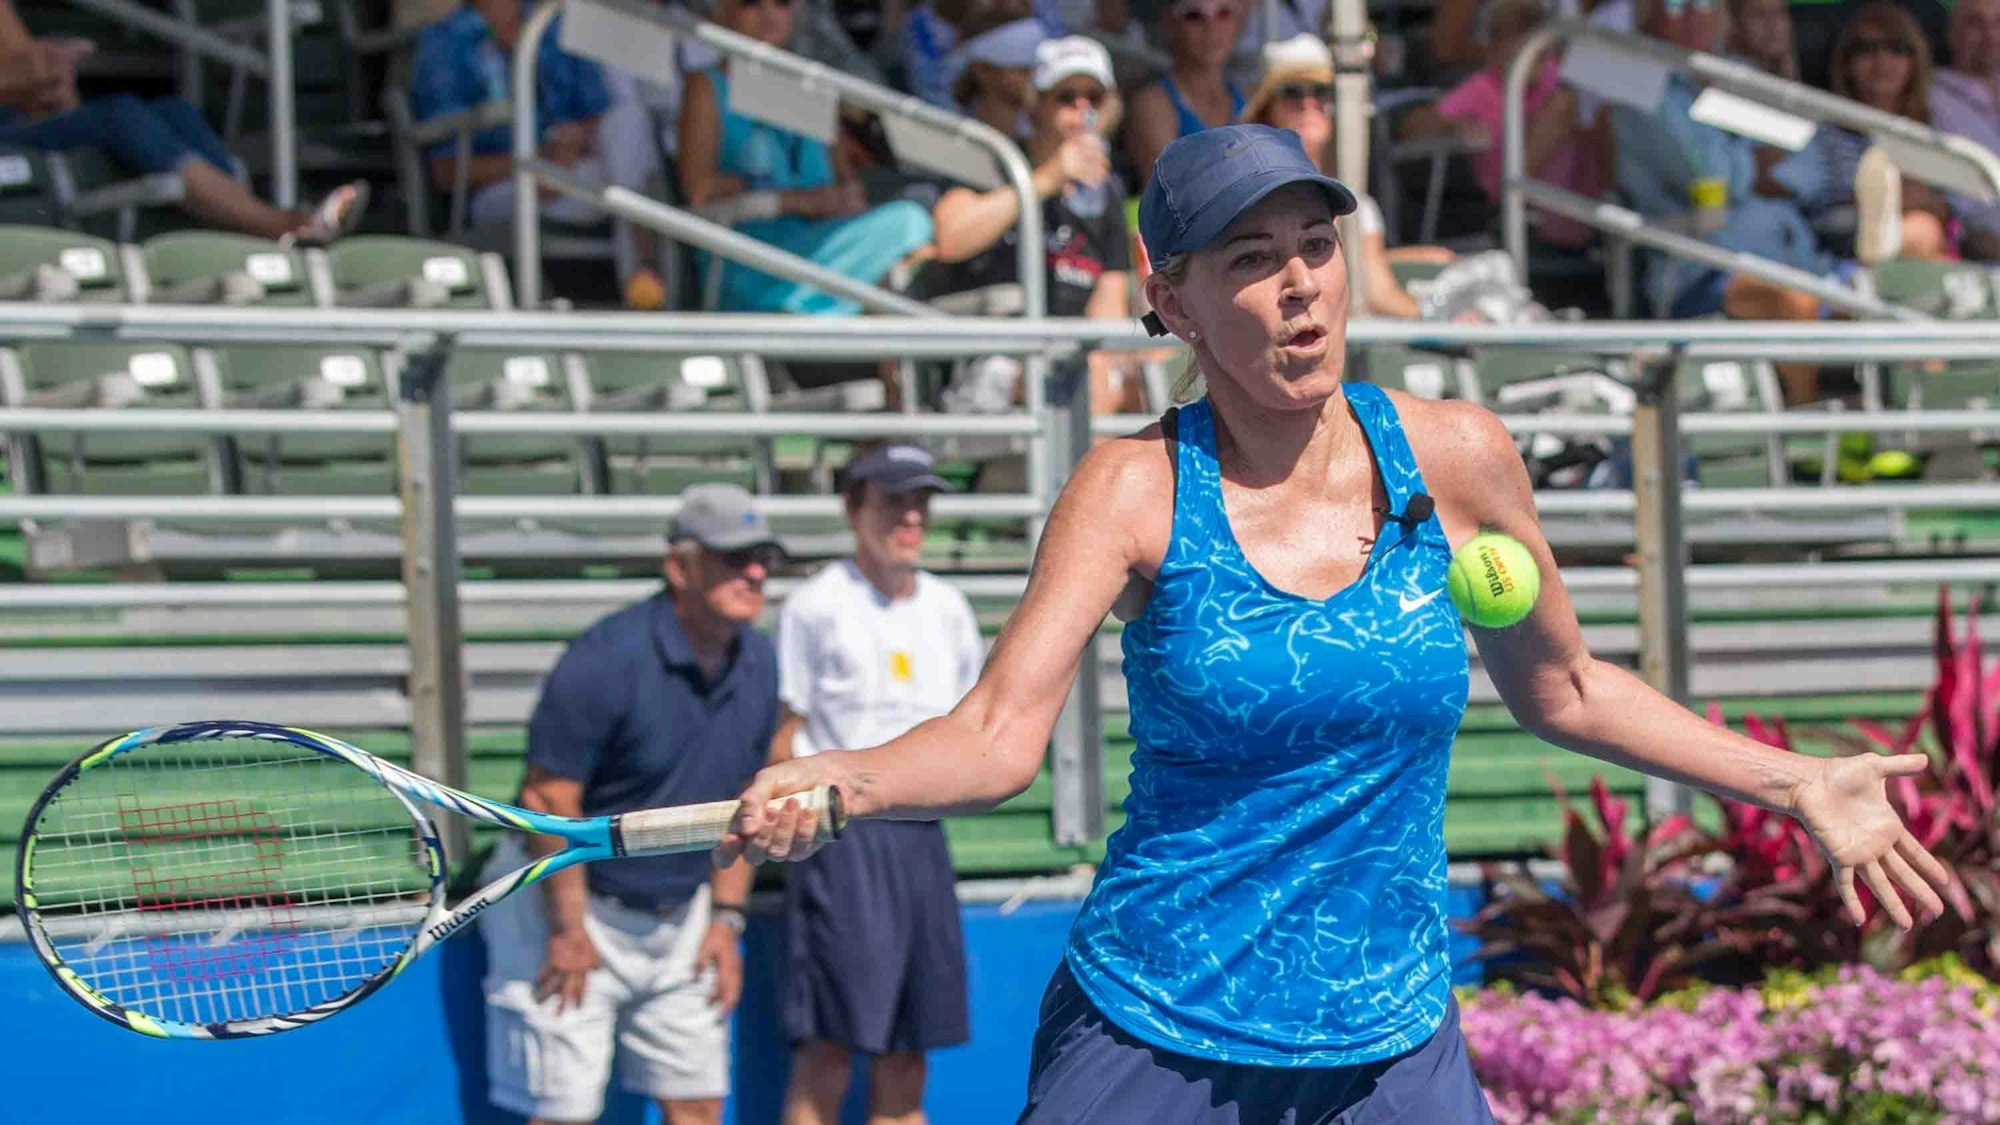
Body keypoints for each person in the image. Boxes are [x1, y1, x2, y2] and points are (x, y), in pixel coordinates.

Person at [711, 123, 1954, 1121]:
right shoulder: (1128, 490)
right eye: (1249, 258)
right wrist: (845, 777)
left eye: (1314, 243)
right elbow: (993, 736)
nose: (1298, 283)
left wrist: (1788, 783)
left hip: (1389, 1039)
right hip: (1159, 1025)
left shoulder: (1458, 458)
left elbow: (1565, 689)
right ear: (1176, 300)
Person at [480, 482, 783, 1125]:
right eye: (735, 557)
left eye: (763, 558)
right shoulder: (604, 659)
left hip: (684, 911)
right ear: (680, 567)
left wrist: (726, 920)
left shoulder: (761, 660)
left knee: (699, 1106)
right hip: (564, 900)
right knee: (561, 1113)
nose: (756, 573)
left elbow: (750, 798)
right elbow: (548, 799)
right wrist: (567, 931)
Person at [770, 442, 979, 1125]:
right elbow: (785, 730)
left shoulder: (949, 608)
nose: (911, 517)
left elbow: (965, 737)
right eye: (893, 501)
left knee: (908, 1053)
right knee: (830, 1049)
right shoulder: (814, 606)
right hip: (839, 842)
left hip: (923, 837)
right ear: (852, 510)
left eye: (920, 502)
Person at [0, 0, 364, 243]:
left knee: (177, 111)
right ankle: (276, 226)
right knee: (120, 114)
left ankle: (253, 223)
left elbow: (31, 74)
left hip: (24, 118)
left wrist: (53, 78)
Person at [677, 0, 935, 316]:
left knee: (912, 218)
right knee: (908, 225)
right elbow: (699, 191)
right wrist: (799, 202)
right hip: (749, 261)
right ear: (725, 10)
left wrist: (842, 201)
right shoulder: (706, 85)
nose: (769, 13)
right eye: (751, 2)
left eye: (782, 2)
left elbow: (847, 189)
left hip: (825, 250)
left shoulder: (811, 87)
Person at [927, 34, 1141, 412]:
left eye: (1093, 97)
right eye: (1065, 97)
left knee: (1142, 385)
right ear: (1035, 104)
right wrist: (1046, 180)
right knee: (1089, 384)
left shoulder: (1106, 192)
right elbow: (950, 238)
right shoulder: (998, 163)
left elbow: (1108, 309)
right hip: (989, 361)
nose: (1081, 109)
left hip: (1071, 358)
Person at [409, 0, 668, 307]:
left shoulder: (551, 23)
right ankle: (646, 288)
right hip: (502, 188)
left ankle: (643, 284)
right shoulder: (444, 41)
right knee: (630, 190)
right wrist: (532, 161)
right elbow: (446, 172)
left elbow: (596, 113)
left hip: (571, 173)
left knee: (628, 124)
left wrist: (574, 138)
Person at [1244, 34, 1456, 318]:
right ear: (1267, 110)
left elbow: (1372, 284)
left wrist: (1417, 259)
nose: (1309, 103)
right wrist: (1441, 320)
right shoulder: (1243, 201)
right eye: (1292, 92)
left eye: (1320, 92)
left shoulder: (1355, 205)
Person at [1405, 0, 1604, 251]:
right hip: (1510, 206)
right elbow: (1414, 126)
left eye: (1540, 53)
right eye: (1520, 47)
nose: (1532, 61)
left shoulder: (1556, 79)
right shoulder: (1483, 87)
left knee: (1575, 110)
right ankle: (1509, 205)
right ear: (1492, 50)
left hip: (1569, 199)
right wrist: (1453, 126)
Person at [1762, 4, 1952, 264]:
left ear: (1915, 60)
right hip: (1842, 250)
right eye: (1867, 49)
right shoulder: (1821, 133)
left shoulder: (1934, 131)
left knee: (1923, 230)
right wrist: (1871, 201)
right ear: (1846, 63)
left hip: (1928, 249)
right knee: (1919, 230)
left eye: (1897, 49)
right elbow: (1799, 202)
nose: (1882, 61)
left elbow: (1955, 209)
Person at [1126, 0, 1246, 187]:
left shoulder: (1250, 95)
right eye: (1194, 15)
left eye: (1224, 13)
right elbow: (1170, 192)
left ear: (1239, 21)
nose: (1211, 28)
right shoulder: (1151, 104)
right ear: (1169, 23)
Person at [1932, 0, 2000, 258]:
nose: (1990, 36)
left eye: (1998, 23)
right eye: (1975, 23)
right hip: (1975, 237)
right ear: (1952, 32)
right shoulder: (1929, 96)